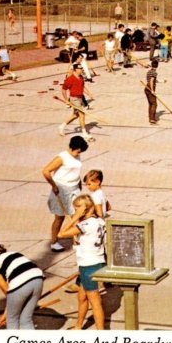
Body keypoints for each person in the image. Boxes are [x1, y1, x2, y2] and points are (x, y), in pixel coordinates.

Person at [57, 194, 106, 330]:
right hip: (96, 260)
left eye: (76, 209)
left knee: (95, 301)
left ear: (83, 209)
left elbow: (61, 234)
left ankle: (101, 333)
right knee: (82, 296)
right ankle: (78, 326)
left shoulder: (85, 224)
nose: (74, 212)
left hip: (88, 265)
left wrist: (75, 218)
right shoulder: (99, 221)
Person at [42, 135, 89, 252]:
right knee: (59, 218)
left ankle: (76, 241)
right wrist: (53, 185)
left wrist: (78, 184)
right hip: (61, 189)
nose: (79, 153)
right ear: (73, 147)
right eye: (78, 150)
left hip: (74, 188)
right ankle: (54, 242)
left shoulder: (77, 155)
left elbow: (76, 171)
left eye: (81, 151)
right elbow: (46, 171)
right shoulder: (62, 157)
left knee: (78, 215)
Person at [0, 238, 44, 329]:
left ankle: (12, 342)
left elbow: (6, 290)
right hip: (38, 280)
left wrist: (5, 315)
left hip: (20, 283)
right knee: (26, 320)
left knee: (12, 320)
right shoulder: (13, 253)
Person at [59, 65, 93, 140]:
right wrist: (66, 100)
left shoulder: (81, 77)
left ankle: (62, 126)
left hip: (80, 98)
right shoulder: (70, 79)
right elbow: (63, 89)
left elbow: (82, 87)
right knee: (82, 114)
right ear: (75, 69)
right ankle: (84, 133)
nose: (82, 69)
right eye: (80, 68)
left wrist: (89, 93)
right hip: (74, 99)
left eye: (82, 68)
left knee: (75, 115)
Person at [144, 59, 159, 125]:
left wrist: (161, 81)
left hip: (146, 88)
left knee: (150, 104)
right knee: (154, 104)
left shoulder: (149, 71)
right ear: (157, 66)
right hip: (150, 88)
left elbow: (151, 79)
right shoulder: (154, 72)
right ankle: (152, 119)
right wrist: (152, 90)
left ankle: (150, 118)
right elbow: (151, 81)